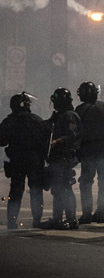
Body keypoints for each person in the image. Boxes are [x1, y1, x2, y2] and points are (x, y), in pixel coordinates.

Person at [0, 92, 50, 229]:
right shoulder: (37, 120)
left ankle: (12, 220)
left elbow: (1, 141)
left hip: (16, 159)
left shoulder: (9, 121)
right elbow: (46, 141)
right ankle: (37, 220)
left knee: (16, 190)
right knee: (36, 190)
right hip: (35, 159)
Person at [75, 81, 104, 224]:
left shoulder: (80, 109)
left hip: (87, 148)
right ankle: (102, 213)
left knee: (86, 182)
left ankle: (86, 214)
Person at [41, 88, 81, 230]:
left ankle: (71, 219)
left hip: (65, 156)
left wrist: (58, 141)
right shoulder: (59, 116)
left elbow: (72, 135)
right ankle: (57, 219)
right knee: (57, 189)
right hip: (57, 157)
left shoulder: (69, 115)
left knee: (64, 188)